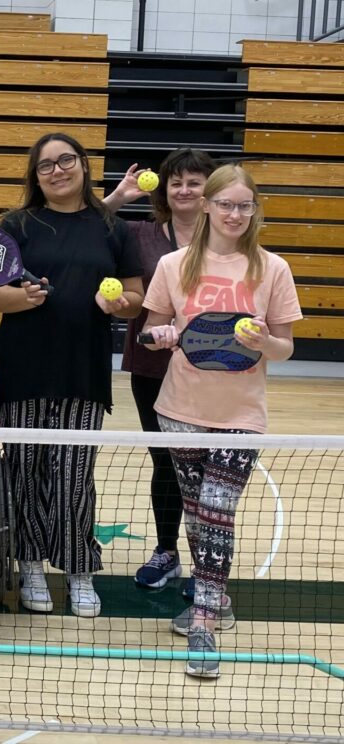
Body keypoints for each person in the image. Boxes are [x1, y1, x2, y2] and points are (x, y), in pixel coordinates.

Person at [0, 132, 144, 618]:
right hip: (24, 369)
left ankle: (77, 568)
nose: (57, 170)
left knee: (73, 477)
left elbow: (134, 299)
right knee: (25, 474)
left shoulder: (113, 228)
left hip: (82, 371)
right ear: (35, 176)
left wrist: (119, 304)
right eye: (46, 165)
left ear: (83, 165)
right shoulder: (16, 225)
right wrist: (19, 298)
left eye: (65, 160)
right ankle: (28, 564)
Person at [142, 164, 302, 678]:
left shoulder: (272, 269)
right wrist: (161, 336)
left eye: (244, 206)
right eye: (226, 204)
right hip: (179, 410)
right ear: (207, 206)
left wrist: (265, 343)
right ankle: (215, 593)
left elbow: (286, 347)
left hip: (241, 415)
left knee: (216, 509)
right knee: (196, 514)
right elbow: (149, 330)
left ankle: (205, 623)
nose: (235, 214)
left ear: (254, 211)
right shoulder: (173, 264)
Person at [104, 149, 216, 594]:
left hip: (213, 371)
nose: (185, 189)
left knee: (206, 469)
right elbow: (89, 225)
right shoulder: (139, 234)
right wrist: (117, 198)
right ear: (163, 190)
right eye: (176, 182)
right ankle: (167, 550)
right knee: (166, 462)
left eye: (195, 181)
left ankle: (206, 563)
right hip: (152, 367)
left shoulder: (226, 236)